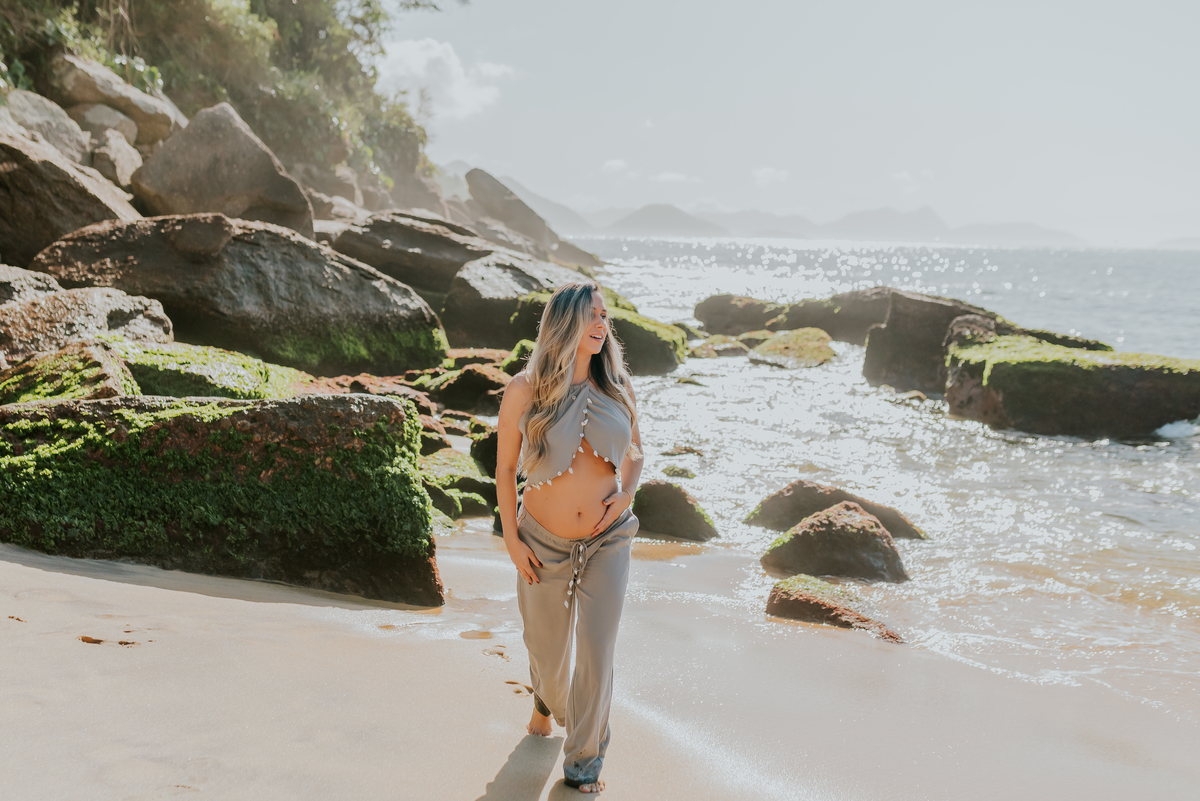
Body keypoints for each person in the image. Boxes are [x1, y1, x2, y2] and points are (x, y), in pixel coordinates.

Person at [495, 280, 644, 794]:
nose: (603, 325)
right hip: (541, 541)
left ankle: (583, 764)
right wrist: (513, 542)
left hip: (609, 541)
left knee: (597, 651)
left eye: (607, 317)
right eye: (593, 316)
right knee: (548, 652)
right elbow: (506, 468)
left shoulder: (618, 386)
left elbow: (637, 455)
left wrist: (625, 495)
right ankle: (543, 700)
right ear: (566, 322)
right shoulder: (525, 389)